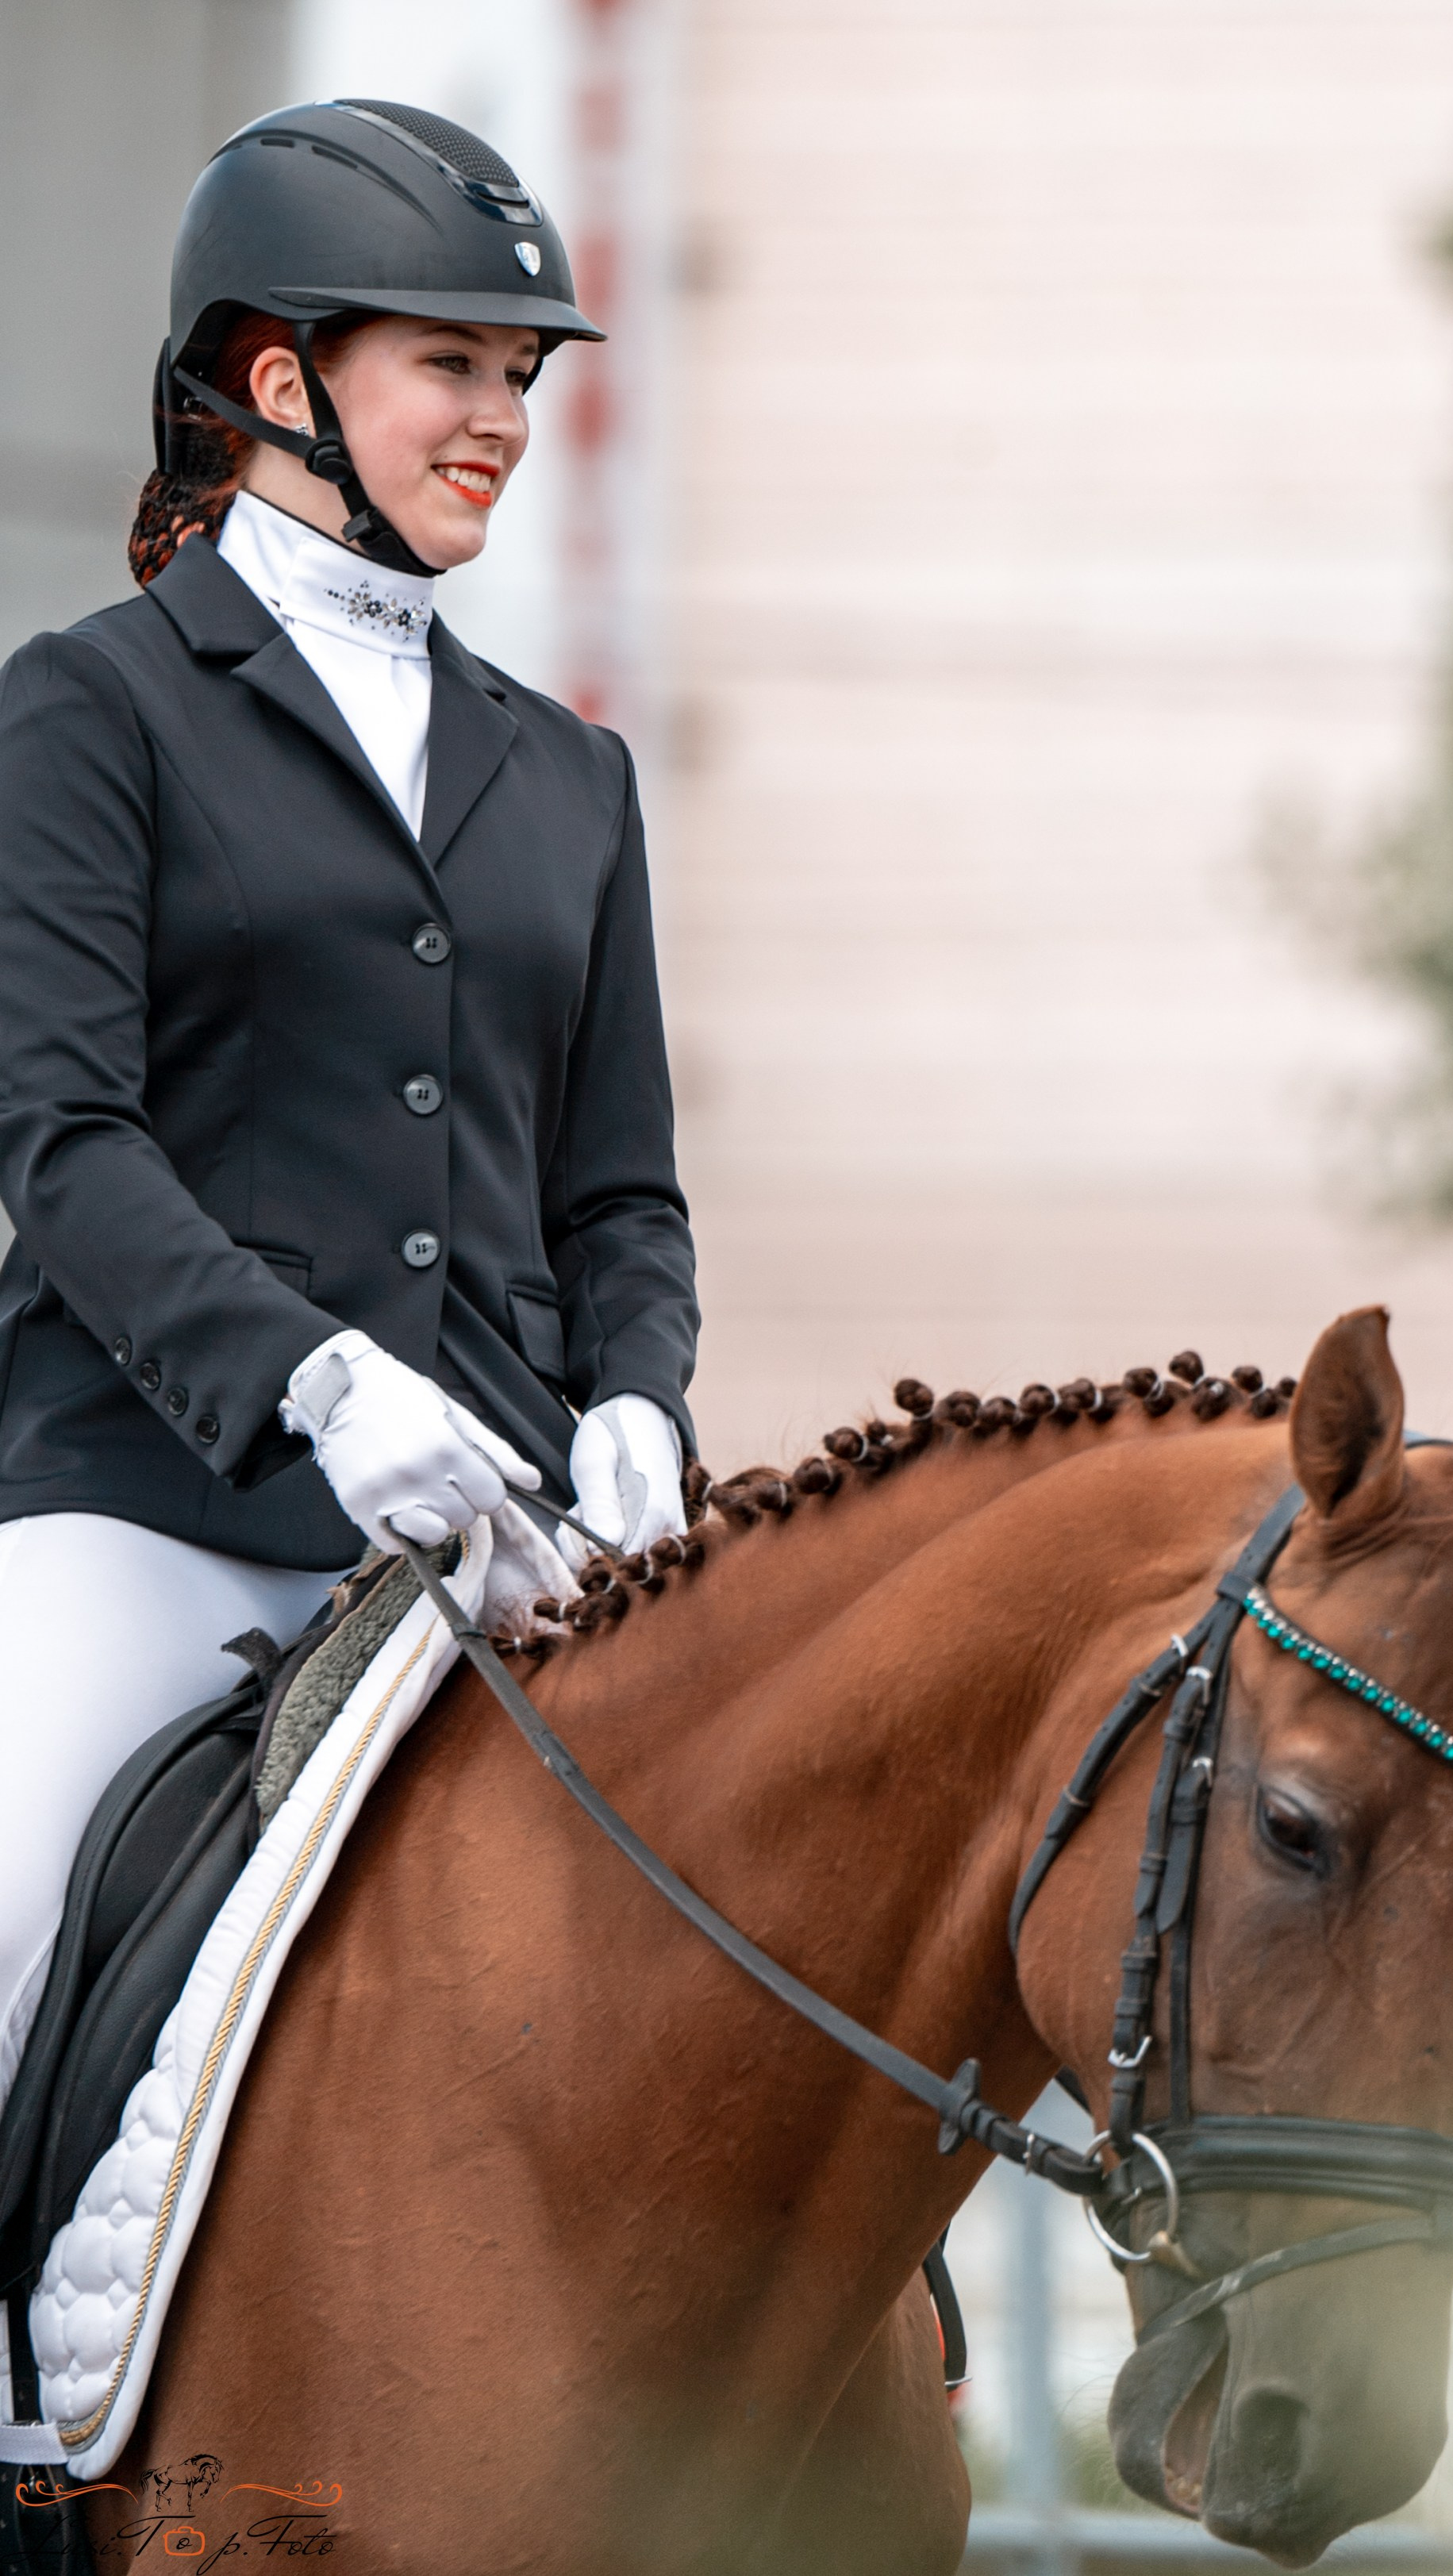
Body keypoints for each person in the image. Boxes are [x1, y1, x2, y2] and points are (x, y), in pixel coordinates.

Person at [0, 98, 698, 2106]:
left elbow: (621, 1198)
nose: (500, 415)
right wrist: (314, 1381)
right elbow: (61, 1140)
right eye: (449, 366)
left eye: (518, 374)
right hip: (164, 1517)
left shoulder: (569, 779)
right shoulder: (99, 706)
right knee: (11, 1906)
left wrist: (638, 1398)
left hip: (509, 1529)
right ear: (283, 383)